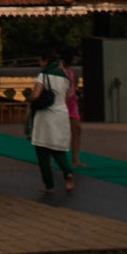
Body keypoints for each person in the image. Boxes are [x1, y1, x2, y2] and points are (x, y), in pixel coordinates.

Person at [27, 53, 75, 195]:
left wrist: (30, 99)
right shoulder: (66, 77)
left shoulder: (43, 75)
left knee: (42, 149)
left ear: (45, 61)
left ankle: (49, 185)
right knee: (58, 149)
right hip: (61, 114)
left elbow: (36, 95)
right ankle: (68, 173)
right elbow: (68, 97)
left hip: (45, 115)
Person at [65, 50, 83, 167]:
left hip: (72, 101)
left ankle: (76, 159)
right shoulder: (61, 71)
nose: (75, 61)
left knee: (77, 129)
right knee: (61, 131)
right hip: (64, 101)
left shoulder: (70, 71)